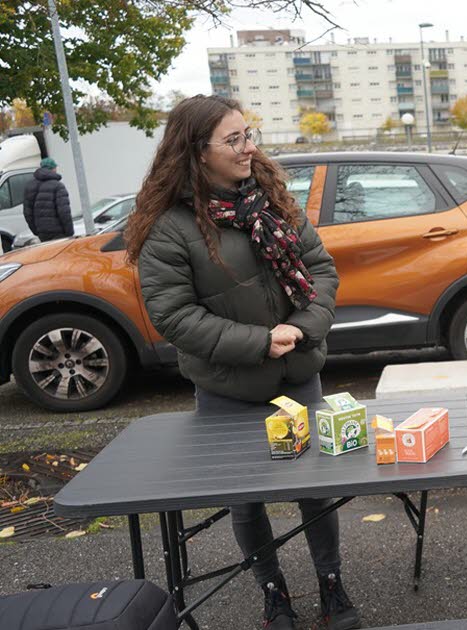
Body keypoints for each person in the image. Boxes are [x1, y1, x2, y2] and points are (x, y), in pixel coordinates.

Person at [124, 95, 358, 630]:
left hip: (299, 373)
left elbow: (322, 272)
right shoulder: (170, 226)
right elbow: (173, 315)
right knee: (246, 500)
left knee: (315, 489)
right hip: (228, 389)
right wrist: (258, 341)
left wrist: (301, 329)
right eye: (233, 139)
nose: (249, 146)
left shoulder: (271, 202)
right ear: (197, 151)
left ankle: (331, 585)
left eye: (248, 133)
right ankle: (273, 593)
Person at [23, 157, 74, 242]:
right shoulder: (58, 186)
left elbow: (27, 213)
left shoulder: (29, 186)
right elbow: (64, 212)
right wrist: (70, 232)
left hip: (42, 233)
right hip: (59, 233)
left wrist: (36, 231)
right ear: (53, 169)